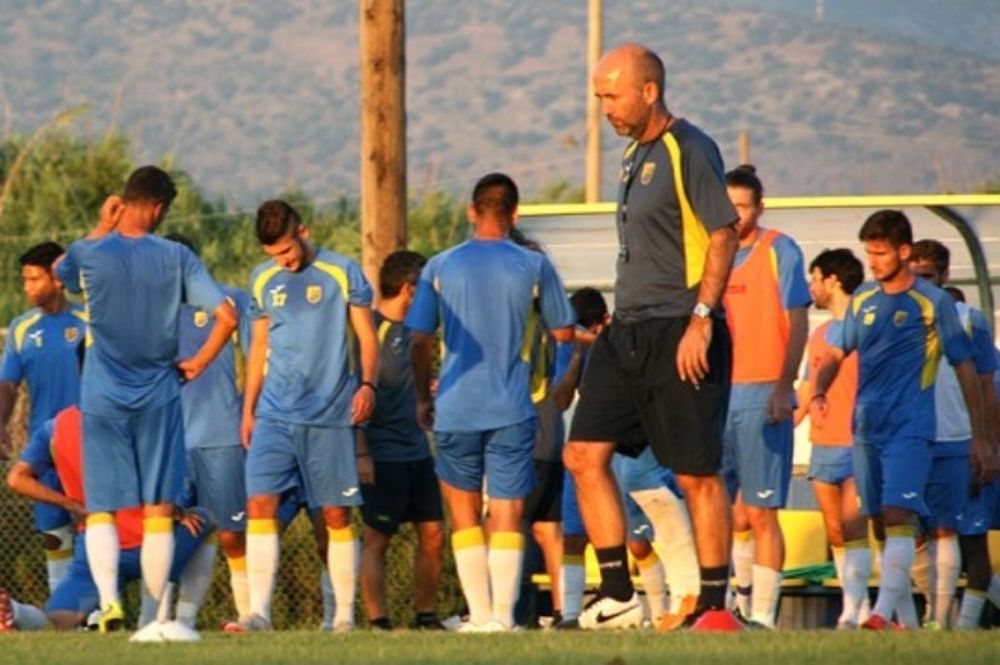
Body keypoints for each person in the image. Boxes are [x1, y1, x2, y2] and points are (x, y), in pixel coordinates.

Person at [563, 43, 740, 631]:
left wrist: (701, 320)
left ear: (648, 91)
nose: (604, 108)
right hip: (627, 329)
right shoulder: (633, 154)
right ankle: (616, 595)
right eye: (598, 97)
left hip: (679, 326)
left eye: (611, 95)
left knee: (695, 472)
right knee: (583, 454)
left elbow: (722, 234)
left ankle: (716, 606)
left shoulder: (688, 146)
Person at [54, 165, 238, 638]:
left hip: (101, 396)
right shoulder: (176, 256)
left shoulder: (92, 252)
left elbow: (61, 274)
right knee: (159, 506)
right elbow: (227, 316)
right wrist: (196, 363)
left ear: (125, 202)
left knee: (102, 507)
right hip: (157, 393)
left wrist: (101, 224)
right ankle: (155, 617)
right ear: (158, 207)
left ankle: (109, 602)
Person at [810, 210, 996, 631]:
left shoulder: (933, 304)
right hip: (866, 428)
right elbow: (837, 352)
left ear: (903, 251)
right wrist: (820, 389)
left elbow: (967, 369)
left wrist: (981, 436)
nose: (872, 261)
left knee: (899, 514)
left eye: (879, 252)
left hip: (911, 428)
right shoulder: (863, 301)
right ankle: (904, 623)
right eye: (868, 253)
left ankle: (879, 614)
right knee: (876, 519)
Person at [407, 172, 575, 632]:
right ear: (515, 214)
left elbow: (419, 339)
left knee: (462, 513)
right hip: (513, 407)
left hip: (456, 408)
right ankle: (504, 617)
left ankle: (478, 616)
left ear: (471, 211)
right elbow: (563, 331)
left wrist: (424, 397)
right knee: (508, 512)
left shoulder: (439, 266)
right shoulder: (533, 266)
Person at [239, 199, 378, 632]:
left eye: (285, 251)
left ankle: (341, 616)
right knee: (260, 502)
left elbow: (366, 337)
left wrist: (368, 384)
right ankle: (259, 612)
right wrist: (248, 409)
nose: (282, 261)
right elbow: (259, 345)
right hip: (275, 414)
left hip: (329, 414)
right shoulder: (262, 280)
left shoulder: (341, 272)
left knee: (335, 515)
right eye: (273, 256)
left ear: (303, 231)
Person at [5, 399, 216, 639]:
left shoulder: (55, 427)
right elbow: (151, 476)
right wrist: (178, 511)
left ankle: (14, 611)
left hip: (95, 551)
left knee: (58, 620)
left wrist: (71, 505)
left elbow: (16, 479)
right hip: (147, 542)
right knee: (208, 518)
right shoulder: (136, 419)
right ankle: (175, 621)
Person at [721, 165, 810, 628]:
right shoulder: (707, 253)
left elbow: (797, 322)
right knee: (726, 513)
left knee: (761, 511)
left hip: (762, 393)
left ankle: (764, 617)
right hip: (717, 398)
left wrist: (783, 385)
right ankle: (732, 605)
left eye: (742, 206)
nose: (735, 215)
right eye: (728, 205)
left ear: (759, 207)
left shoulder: (780, 250)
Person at [166, 232, 256, 624]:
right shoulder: (149, 311)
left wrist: (249, 412)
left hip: (220, 435)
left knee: (231, 534)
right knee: (175, 533)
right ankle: (171, 621)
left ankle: (250, 616)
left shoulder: (230, 299)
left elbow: (258, 359)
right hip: (170, 440)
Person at [908, 239, 997, 629]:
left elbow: (986, 386)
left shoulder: (968, 319)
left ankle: (958, 627)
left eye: (927, 276)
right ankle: (931, 618)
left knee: (968, 537)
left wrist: (987, 444)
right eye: (916, 275)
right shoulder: (902, 314)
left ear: (944, 275)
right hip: (914, 440)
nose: (920, 283)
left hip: (959, 441)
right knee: (910, 532)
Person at [359, 250, 446, 631]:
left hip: (416, 450)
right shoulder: (371, 332)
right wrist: (361, 450)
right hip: (382, 453)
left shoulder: (419, 335)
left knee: (433, 532)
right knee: (377, 537)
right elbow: (355, 393)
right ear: (411, 289)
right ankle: (379, 621)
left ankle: (426, 616)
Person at [0, 242, 87, 591]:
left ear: (57, 279)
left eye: (35, 279)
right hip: (44, 446)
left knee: (91, 524)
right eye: (25, 280)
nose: (27, 288)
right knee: (54, 534)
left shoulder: (87, 321)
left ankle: (96, 613)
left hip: (86, 442)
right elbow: (7, 384)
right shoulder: (22, 329)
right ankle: (65, 613)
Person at [793, 248, 869, 628]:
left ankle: (863, 611)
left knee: (857, 526)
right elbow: (807, 387)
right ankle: (851, 605)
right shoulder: (819, 334)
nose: (811, 288)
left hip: (859, 442)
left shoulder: (868, 325)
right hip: (824, 443)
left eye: (815, 278)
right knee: (836, 530)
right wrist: (789, 417)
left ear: (833, 280)